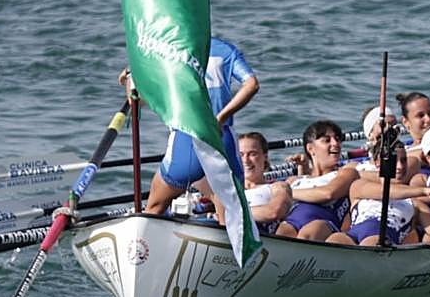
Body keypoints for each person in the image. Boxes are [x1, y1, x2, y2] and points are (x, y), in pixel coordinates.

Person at [123, 36, 259, 216]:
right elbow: (252, 84)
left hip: (187, 138)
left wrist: (129, 80)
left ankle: (146, 239)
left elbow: (137, 101)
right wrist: (220, 118)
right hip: (221, 137)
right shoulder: (225, 50)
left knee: (155, 206)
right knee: (231, 216)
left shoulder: (166, 53)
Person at [327, 141, 430, 246]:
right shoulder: (359, 186)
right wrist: (424, 191)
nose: (400, 166)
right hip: (350, 236)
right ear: (377, 163)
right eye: (394, 160)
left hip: (380, 241)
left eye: (404, 160)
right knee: (335, 239)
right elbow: (386, 191)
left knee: (372, 242)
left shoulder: (415, 204)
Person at [273, 120, 360, 242]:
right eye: (327, 140)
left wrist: (288, 193)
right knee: (282, 232)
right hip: (291, 221)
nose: (336, 144)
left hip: (324, 223)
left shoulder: (347, 173)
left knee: (310, 232)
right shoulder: (295, 180)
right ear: (311, 149)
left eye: (337, 139)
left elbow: (328, 193)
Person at [233, 132, 293, 233]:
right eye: (241, 154)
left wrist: (230, 212)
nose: (246, 160)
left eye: (252, 154)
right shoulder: (229, 190)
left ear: (265, 156)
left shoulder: (278, 187)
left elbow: (273, 212)